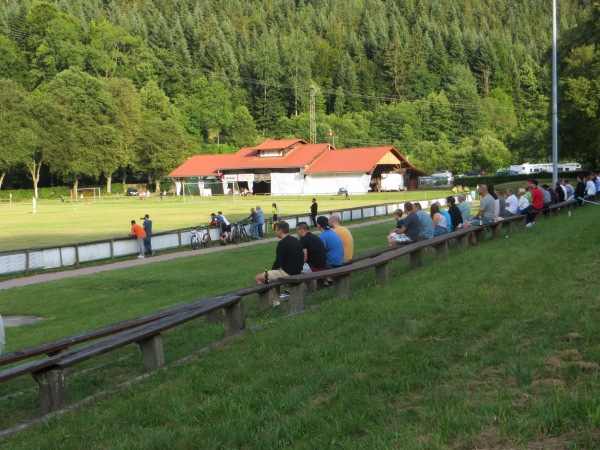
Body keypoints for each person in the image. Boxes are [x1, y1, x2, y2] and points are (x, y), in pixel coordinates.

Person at [254, 221, 304, 304]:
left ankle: (267, 300)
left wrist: (271, 270)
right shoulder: (295, 240)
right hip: (298, 270)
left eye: (276, 229)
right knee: (274, 276)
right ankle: (276, 299)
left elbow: (278, 262)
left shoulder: (282, 243)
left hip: (288, 272)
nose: (275, 231)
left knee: (258, 278)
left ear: (280, 231)